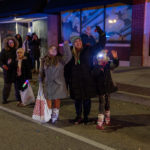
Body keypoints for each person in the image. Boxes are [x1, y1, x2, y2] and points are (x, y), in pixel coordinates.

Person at [65, 26, 105, 125]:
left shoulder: (88, 50)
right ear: (73, 44)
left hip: (87, 79)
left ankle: (86, 117)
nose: (78, 43)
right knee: (77, 100)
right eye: (76, 42)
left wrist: (102, 34)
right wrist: (66, 82)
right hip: (75, 80)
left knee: (87, 100)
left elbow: (100, 45)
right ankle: (78, 116)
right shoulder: (70, 54)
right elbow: (66, 68)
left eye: (79, 41)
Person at [39, 41, 72, 123]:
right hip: (48, 83)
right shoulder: (44, 60)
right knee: (48, 100)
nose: (53, 50)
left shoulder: (60, 60)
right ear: (48, 51)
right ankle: (49, 115)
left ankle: (55, 115)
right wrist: (40, 80)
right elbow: (41, 71)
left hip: (58, 84)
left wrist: (66, 45)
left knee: (57, 100)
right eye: (51, 49)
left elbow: (69, 56)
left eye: (55, 49)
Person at [91, 50, 119, 129]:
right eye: (100, 57)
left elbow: (115, 64)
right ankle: (99, 123)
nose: (101, 59)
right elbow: (94, 74)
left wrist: (115, 58)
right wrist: (99, 68)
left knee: (108, 103)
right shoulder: (96, 66)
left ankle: (107, 120)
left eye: (103, 57)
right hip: (100, 89)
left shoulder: (108, 65)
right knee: (102, 104)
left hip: (108, 88)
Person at [0, 36, 20, 104]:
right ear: (7, 43)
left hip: (15, 70)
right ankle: (4, 98)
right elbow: (0, 60)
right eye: (10, 42)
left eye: (12, 42)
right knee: (7, 86)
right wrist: (3, 65)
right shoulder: (4, 51)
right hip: (8, 71)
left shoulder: (16, 50)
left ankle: (19, 98)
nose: (11, 44)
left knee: (17, 86)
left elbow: (19, 59)